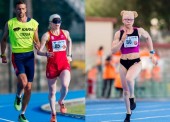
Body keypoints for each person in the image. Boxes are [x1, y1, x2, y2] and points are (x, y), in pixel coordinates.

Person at [111, 10, 157, 122]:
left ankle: (132, 97)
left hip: (135, 61)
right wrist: (122, 41)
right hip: (123, 63)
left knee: (129, 79)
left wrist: (151, 53)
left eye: (131, 19)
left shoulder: (138, 31)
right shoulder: (119, 33)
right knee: (124, 91)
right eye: (126, 19)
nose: (129, 21)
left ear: (133, 20)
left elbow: (148, 37)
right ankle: (128, 114)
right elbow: (113, 50)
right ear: (123, 20)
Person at [0, 1, 40, 122]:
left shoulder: (33, 23)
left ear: (26, 9)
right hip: (17, 56)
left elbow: (36, 39)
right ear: (15, 10)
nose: (21, 11)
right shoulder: (10, 23)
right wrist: (2, 54)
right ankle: (18, 96)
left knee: (28, 88)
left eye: (23, 9)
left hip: (30, 56)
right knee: (23, 82)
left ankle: (22, 114)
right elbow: (4, 40)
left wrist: (37, 44)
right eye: (18, 9)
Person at [37, 14, 72, 122]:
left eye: (59, 21)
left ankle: (61, 101)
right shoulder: (46, 36)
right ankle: (53, 115)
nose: (57, 24)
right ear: (50, 23)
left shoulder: (65, 33)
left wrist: (69, 55)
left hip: (63, 65)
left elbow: (70, 42)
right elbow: (38, 51)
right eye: (55, 21)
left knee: (65, 86)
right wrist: (45, 54)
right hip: (52, 66)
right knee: (52, 92)